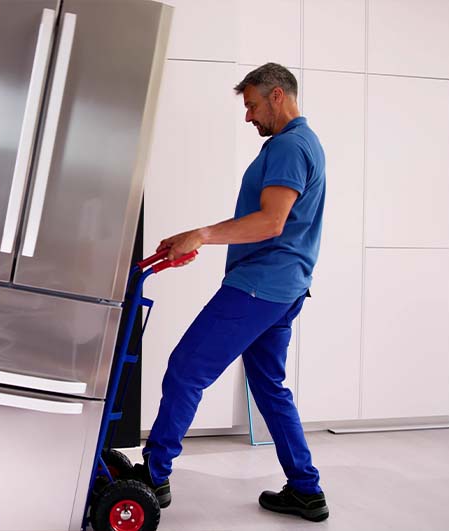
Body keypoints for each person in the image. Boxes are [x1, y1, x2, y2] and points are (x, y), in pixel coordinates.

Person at [131, 63, 329, 522]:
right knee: (269, 386)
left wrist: (200, 234)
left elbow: (271, 222)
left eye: (253, 105)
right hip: (284, 288)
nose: (248, 117)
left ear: (277, 95)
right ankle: (305, 488)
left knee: (185, 369)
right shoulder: (304, 144)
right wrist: (198, 237)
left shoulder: (288, 146)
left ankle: (155, 476)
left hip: (260, 285)